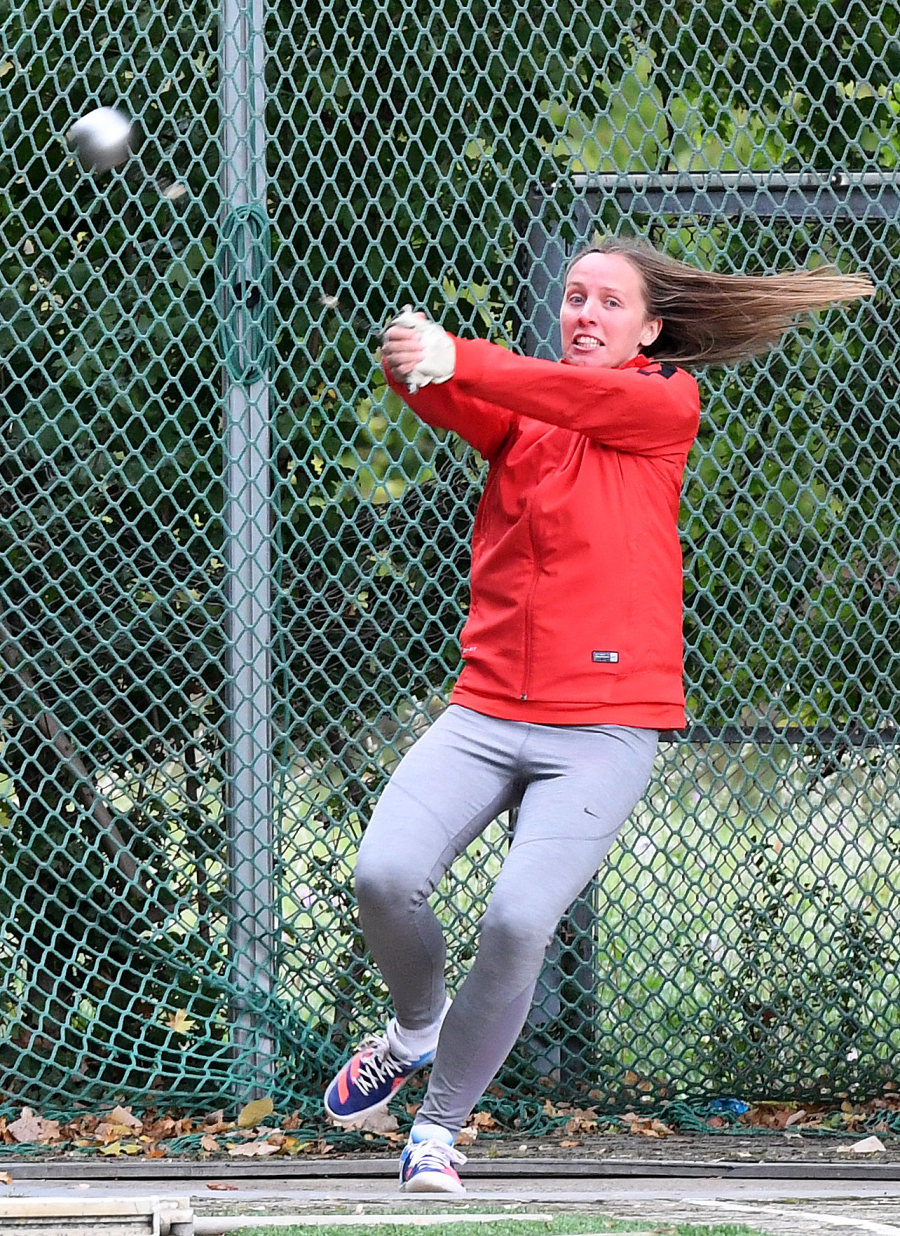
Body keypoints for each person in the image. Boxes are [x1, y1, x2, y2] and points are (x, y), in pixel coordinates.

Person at [322, 236, 874, 1193]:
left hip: (604, 729)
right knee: (384, 876)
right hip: (487, 709)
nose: (586, 313)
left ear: (649, 330)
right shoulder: (528, 413)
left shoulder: (664, 403)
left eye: (611, 302)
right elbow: (456, 393)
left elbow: (546, 390)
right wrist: (412, 358)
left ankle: (437, 1133)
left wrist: (461, 355)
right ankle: (415, 1030)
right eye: (576, 296)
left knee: (516, 921)